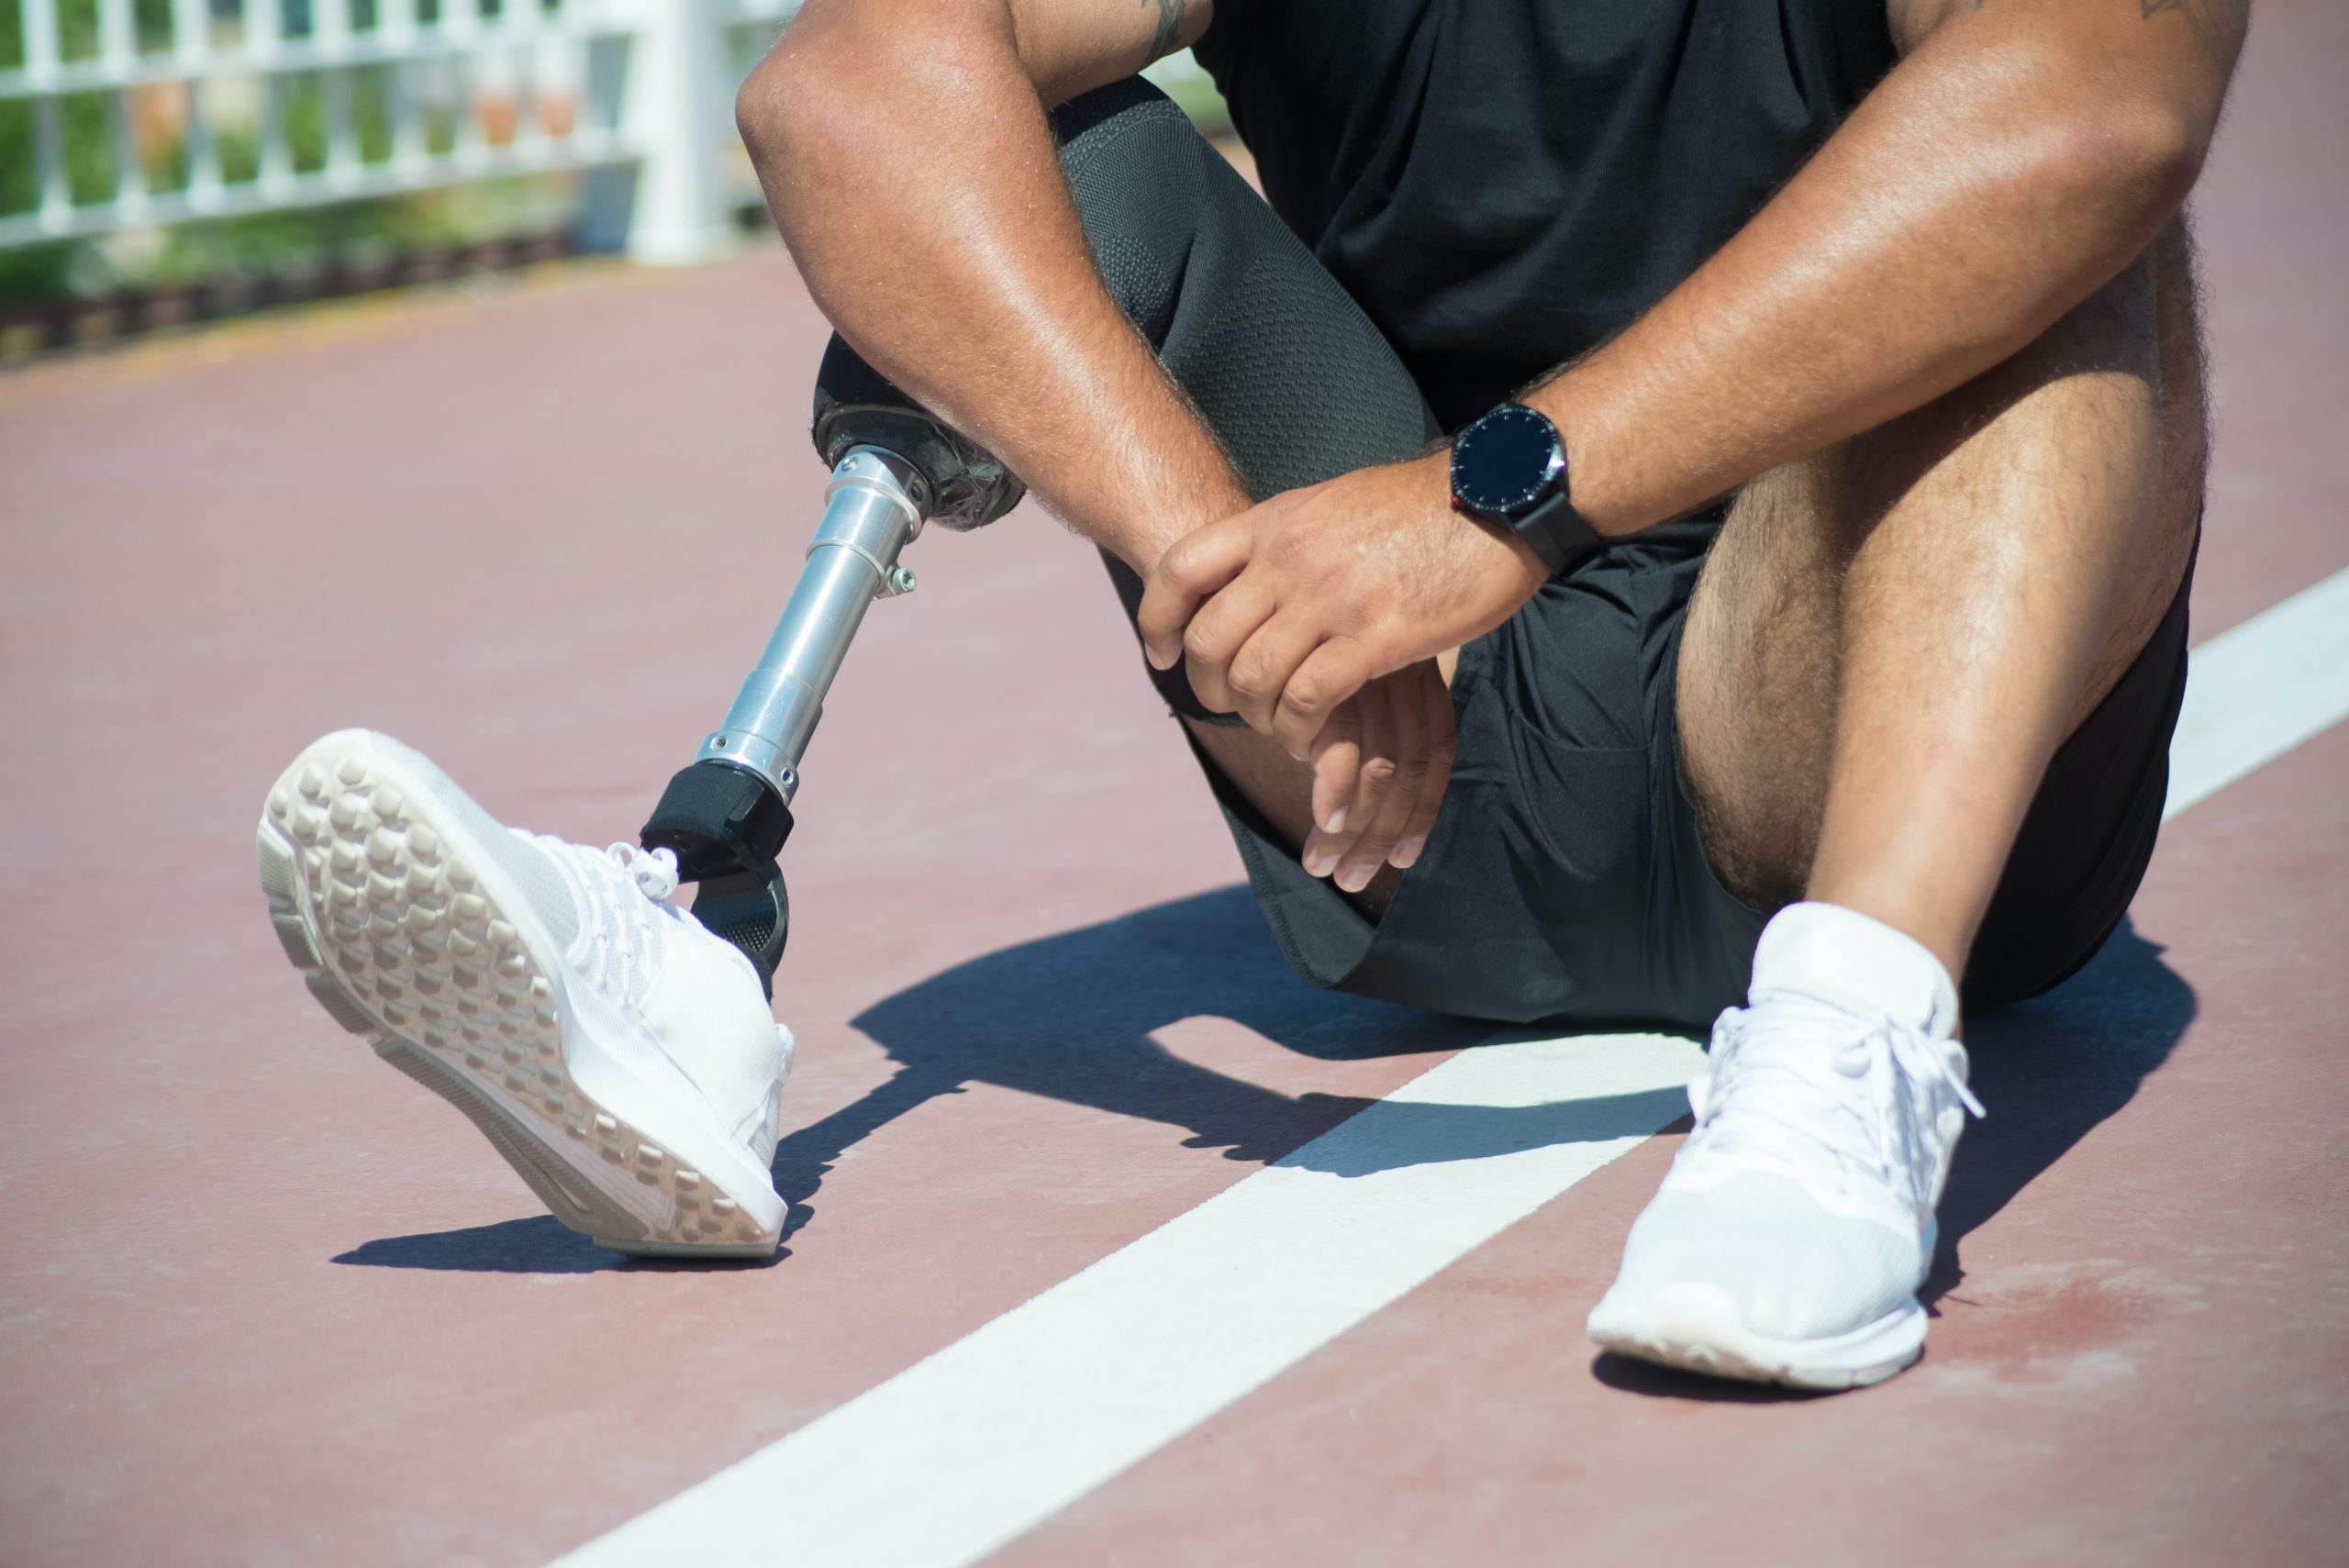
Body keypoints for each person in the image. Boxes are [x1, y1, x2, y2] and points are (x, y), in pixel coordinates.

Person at [258, 0, 2243, 1385]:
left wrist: (1499, 503)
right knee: (1021, 153)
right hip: (1419, 757)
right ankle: (700, 928)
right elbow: (839, 89)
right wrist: (1233, 573)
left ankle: (1840, 1071)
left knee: (2053, 217)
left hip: (1852, 733)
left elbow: (2096, 109)